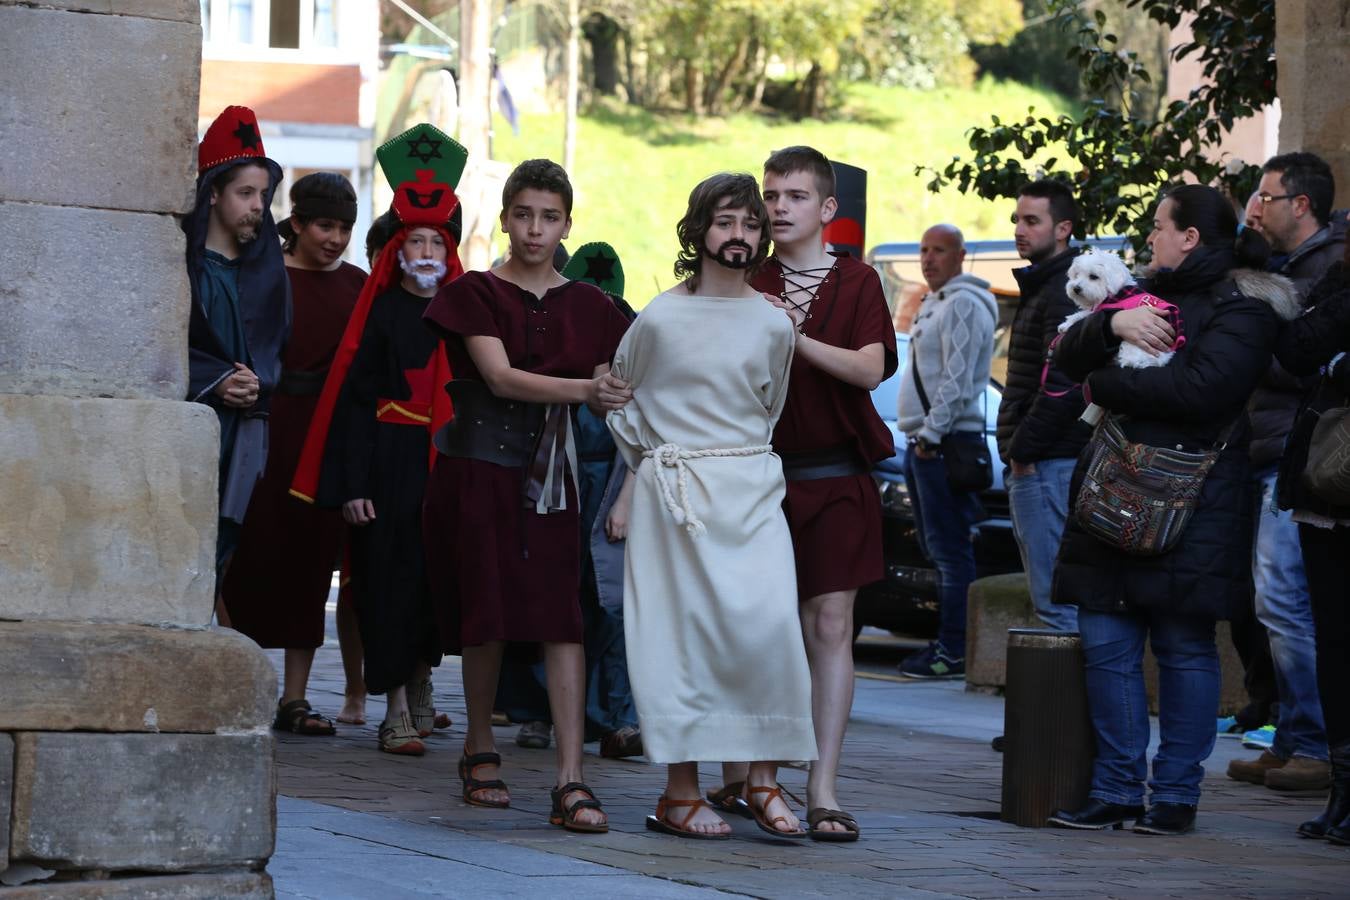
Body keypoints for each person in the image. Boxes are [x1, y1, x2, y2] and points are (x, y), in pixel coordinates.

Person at [1047, 185, 1299, 836]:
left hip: (1196, 494)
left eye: (1160, 226)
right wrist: (1110, 325)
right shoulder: (1133, 295)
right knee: (1105, 642)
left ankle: (1175, 797)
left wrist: (1105, 382)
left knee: (1185, 646)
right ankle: (1116, 790)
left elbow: (1203, 389)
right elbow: (1067, 354)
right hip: (1114, 486)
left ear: (1189, 237)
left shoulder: (1245, 306)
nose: (1151, 235)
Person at [421, 158, 631, 834]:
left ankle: (571, 777)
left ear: (568, 224)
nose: (535, 229)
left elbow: (613, 379)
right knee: (486, 611)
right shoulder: (475, 292)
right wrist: (586, 393)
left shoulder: (594, 307)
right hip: (481, 468)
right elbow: (501, 378)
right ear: (506, 218)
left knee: (560, 617)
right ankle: (479, 745)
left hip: (554, 478)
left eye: (549, 216)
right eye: (523, 214)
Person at [607, 172, 817, 839]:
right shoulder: (660, 317)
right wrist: (656, 461)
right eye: (726, 222)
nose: (740, 235)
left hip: (751, 493)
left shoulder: (772, 323)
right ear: (698, 231)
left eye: (752, 224)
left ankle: (761, 780)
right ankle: (679, 794)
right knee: (682, 642)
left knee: (770, 633)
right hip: (676, 502)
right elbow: (621, 397)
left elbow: (769, 407)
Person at [706, 146, 894, 841]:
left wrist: (793, 334)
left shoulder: (858, 282)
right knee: (754, 628)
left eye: (793, 195)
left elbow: (870, 370)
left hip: (835, 474)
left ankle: (821, 787)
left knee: (830, 628)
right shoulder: (743, 276)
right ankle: (748, 775)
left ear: (826, 209)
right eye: (771, 194)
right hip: (753, 475)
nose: (778, 207)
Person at [291, 124, 467, 756]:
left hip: (442, 465)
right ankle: (392, 707)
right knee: (386, 583)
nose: (425, 249)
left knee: (431, 582)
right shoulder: (381, 311)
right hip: (388, 464)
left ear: (449, 249)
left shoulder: (466, 312)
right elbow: (354, 401)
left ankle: (421, 683)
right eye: (414, 239)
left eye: (434, 240)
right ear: (398, 249)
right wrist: (353, 485)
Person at [222, 172, 364, 736]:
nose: (335, 238)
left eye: (345, 228)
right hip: (266, 421)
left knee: (311, 555)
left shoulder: (359, 286)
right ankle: (240, 677)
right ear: (298, 223)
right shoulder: (265, 275)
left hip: (325, 432)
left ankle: (295, 696)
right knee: (250, 547)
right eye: (325, 225)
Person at [1227, 154, 1344, 791]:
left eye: (1267, 197)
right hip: (1266, 446)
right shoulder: (1284, 266)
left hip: (1297, 454)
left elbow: (1302, 363)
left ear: (1300, 204)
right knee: (1270, 602)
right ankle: (1295, 734)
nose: (1257, 207)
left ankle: (1317, 745)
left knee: (1286, 600)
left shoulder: (1329, 267)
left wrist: (1250, 345)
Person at [183, 105, 290, 617]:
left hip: (247, 429)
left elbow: (275, 346)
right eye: (245, 193)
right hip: (196, 425)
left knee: (225, 545)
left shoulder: (265, 270)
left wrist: (257, 383)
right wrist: (217, 379)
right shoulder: (184, 266)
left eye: (263, 196)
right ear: (214, 193)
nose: (257, 206)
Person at [1273, 233, 1350, 844]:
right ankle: (1343, 788)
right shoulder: (1339, 280)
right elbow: (1296, 348)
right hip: (1330, 488)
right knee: (1335, 640)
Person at [895, 224, 998, 678]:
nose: (928, 258)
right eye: (923, 250)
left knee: (952, 552)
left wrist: (931, 436)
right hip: (926, 442)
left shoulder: (963, 303)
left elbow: (956, 380)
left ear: (960, 256)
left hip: (946, 444)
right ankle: (944, 645)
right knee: (938, 550)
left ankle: (953, 650)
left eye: (939, 250)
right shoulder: (934, 303)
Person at [1000, 180, 1088, 636]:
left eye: (1032, 220)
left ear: (1063, 229)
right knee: (1055, 604)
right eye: (1017, 219)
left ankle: (1070, 710)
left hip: (1047, 463)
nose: (1019, 229)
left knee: (1057, 607)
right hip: (1042, 460)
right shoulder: (1046, 285)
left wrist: (1022, 451)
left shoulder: (1063, 290)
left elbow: (1061, 385)